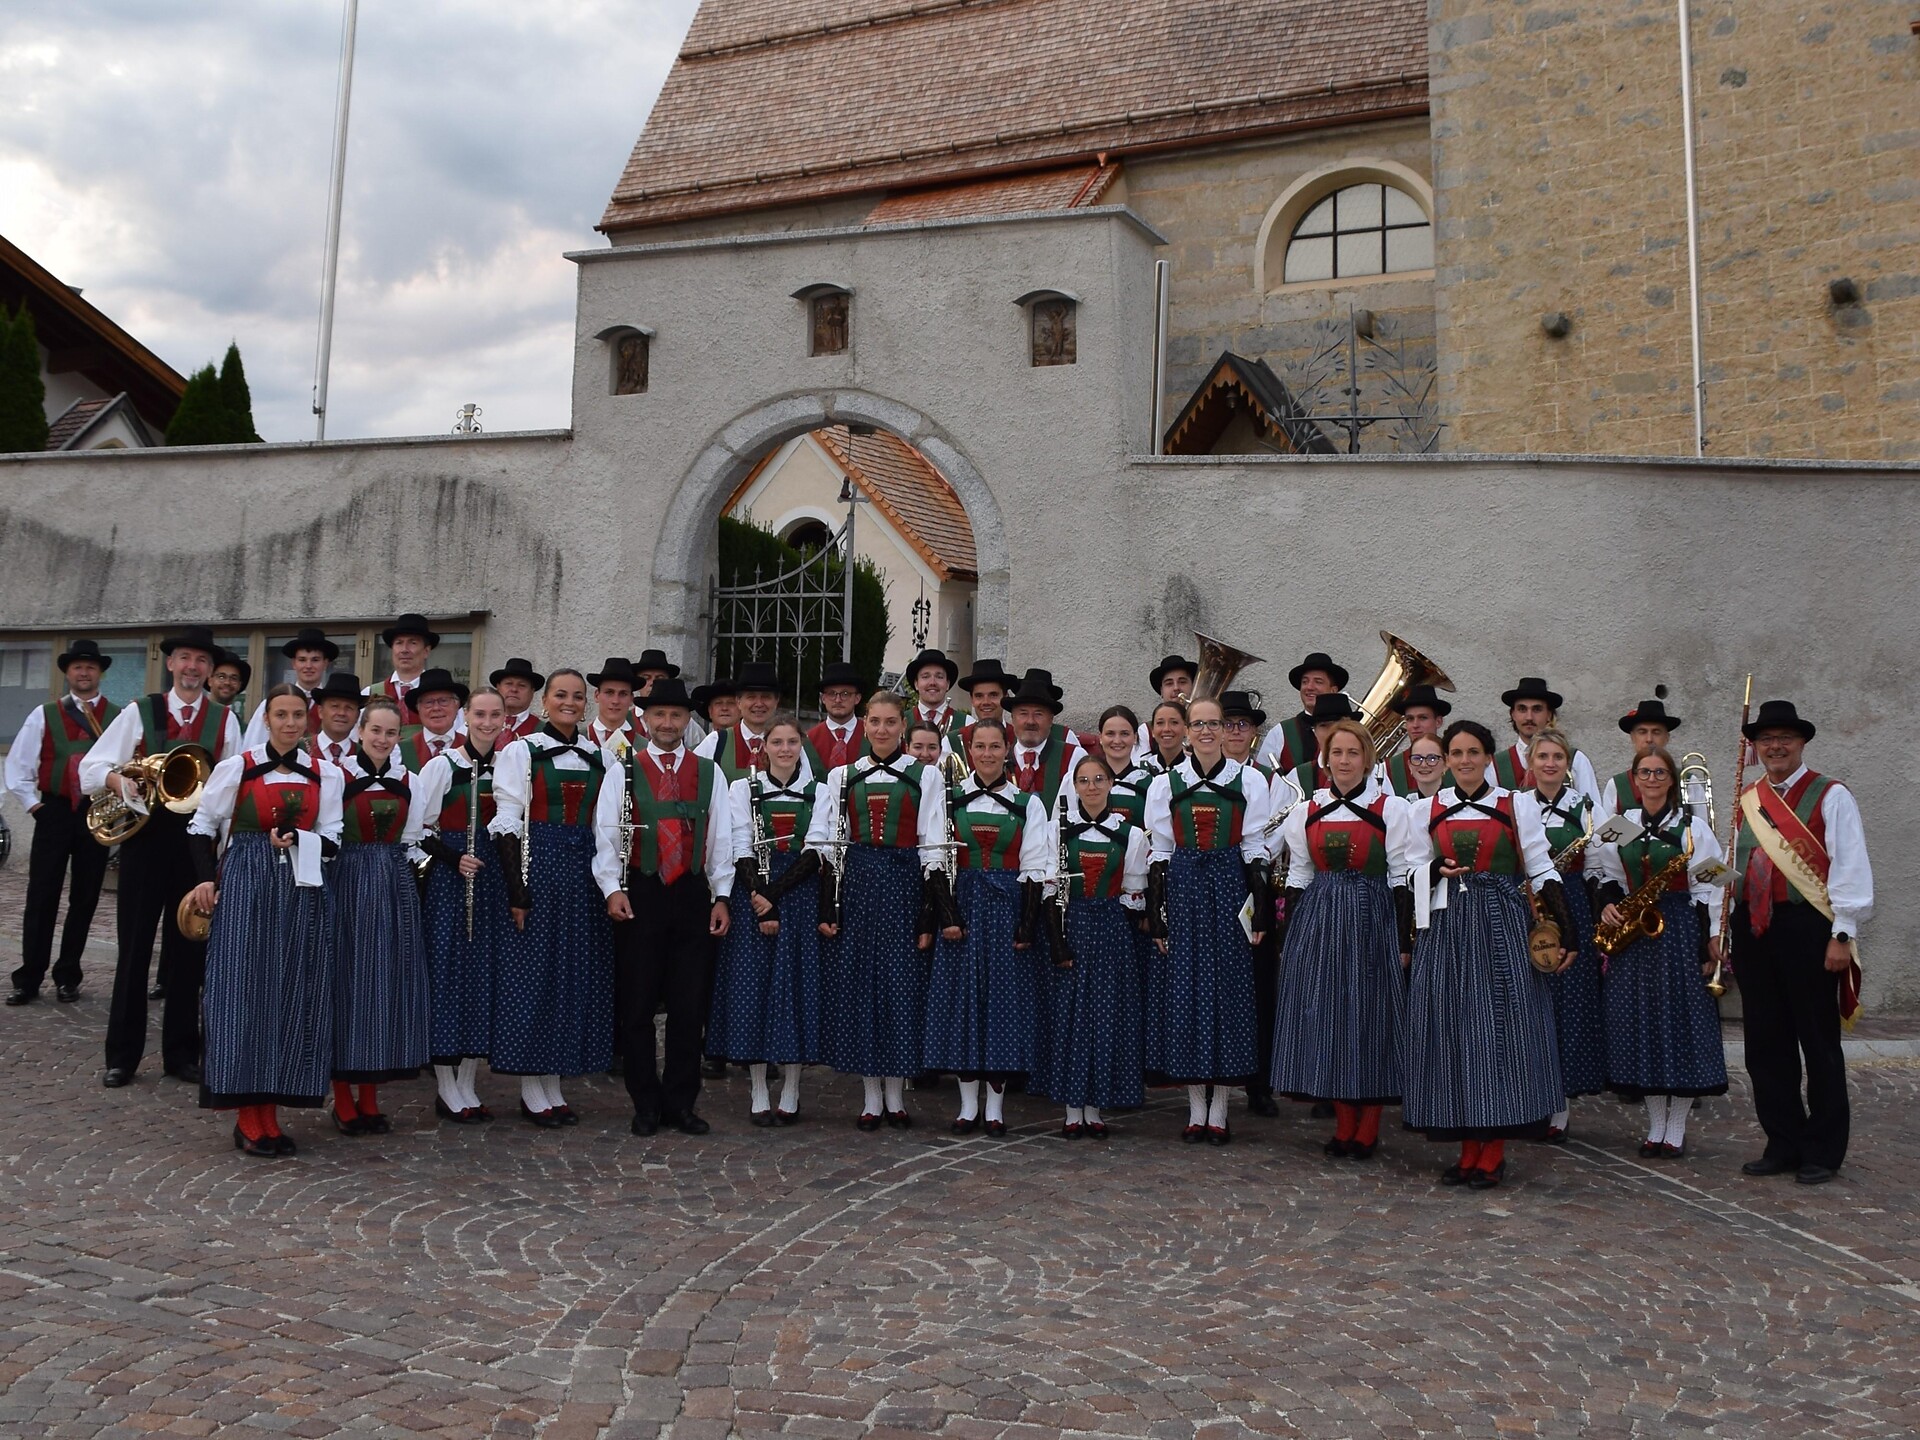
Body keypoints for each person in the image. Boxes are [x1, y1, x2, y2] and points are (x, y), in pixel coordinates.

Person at [1401, 720, 1573, 1189]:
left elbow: (1540, 867)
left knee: (1499, 1034)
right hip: (1448, 928)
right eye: (1455, 753)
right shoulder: (1426, 808)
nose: (1464, 760)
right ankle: (1467, 1148)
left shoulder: (1515, 804)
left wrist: (1568, 933)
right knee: (1455, 1033)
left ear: (1488, 757)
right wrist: (1434, 868)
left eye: (1473, 752)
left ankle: (1492, 1151)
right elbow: (1411, 872)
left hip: (1502, 927)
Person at [82, 624, 243, 1088]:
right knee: (133, 950)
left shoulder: (224, 720)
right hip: (145, 841)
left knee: (190, 948)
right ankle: (123, 1056)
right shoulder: (140, 710)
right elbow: (91, 767)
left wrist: (225, 854)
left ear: (211, 672)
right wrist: (120, 782)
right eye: (185, 659)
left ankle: (181, 1054)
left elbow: (234, 789)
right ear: (170, 664)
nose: (193, 668)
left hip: (196, 845)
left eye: (201, 661)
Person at [187, 684, 343, 1157]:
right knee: (243, 994)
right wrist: (205, 882)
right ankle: (247, 1118)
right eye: (282, 715)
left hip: (301, 889)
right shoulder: (238, 767)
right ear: (267, 719)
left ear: (307, 721)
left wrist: (300, 838)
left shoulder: (326, 774)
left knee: (292, 994)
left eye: (298, 715)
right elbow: (201, 826)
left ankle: (271, 1114)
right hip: (247, 886)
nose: (291, 723)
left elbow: (334, 839)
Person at [1727, 700, 1872, 1186]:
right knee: (1765, 1044)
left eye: (1785, 737)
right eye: (1766, 739)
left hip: (1808, 929)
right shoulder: (1746, 798)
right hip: (1754, 929)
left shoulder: (1830, 795)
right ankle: (1782, 1142)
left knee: (1818, 1042)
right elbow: (1735, 867)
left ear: (1802, 742)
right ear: (1756, 746)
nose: (1775, 746)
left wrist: (1843, 934)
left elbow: (1850, 866)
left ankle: (1823, 1150)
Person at [594, 677, 734, 1137]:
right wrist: (613, 888)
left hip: (692, 895)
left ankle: (681, 1102)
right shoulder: (624, 770)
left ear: (686, 721)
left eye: (676, 715)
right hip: (642, 894)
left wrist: (721, 896)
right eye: (659, 715)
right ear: (645, 719)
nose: (667, 723)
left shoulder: (709, 772)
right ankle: (645, 1103)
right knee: (636, 1007)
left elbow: (720, 841)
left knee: (688, 1006)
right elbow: (607, 835)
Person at [1269, 720, 1413, 1160]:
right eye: (1337, 753)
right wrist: (1291, 938)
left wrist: (1404, 941)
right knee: (1330, 1022)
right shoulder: (1307, 811)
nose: (1344, 761)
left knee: (1369, 1022)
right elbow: (1298, 876)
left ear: (1367, 759)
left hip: (1373, 921)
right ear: (1325, 760)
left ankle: (1367, 1128)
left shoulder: (1392, 810)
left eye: (1353, 753)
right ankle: (1343, 1125)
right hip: (1321, 920)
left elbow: (1401, 876)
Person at [808, 690, 946, 1130]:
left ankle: (896, 1093)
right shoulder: (842, 775)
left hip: (905, 884)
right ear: (864, 725)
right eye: (875, 722)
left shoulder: (926, 776)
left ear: (903, 727)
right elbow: (829, 843)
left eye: (891, 722)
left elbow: (933, 844)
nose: (883, 730)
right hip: (861, 886)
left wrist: (929, 911)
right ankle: (870, 1095)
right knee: (863, 985)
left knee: (901, 985)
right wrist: (831, 902)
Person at [488, 670, 615, 1126]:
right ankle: (530, 1087)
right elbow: (507, 820)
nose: (569, 702)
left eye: (577, 697)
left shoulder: (599, 757)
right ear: (545, 701)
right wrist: (517, 891)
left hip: (582, 875)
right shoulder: (521, 751)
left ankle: (554, 1083)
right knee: (535, 976)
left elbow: (607, 827)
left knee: (571, 977)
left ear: (587, 704)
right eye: (561, 695)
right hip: (536, 868)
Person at [1589, 744, 1728, 1159]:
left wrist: (1712, 938)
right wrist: (1608, 903)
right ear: (1634, 780)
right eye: (1644, 773)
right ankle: (1655, 1126)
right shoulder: (1622, 824)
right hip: (1635, 932)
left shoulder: (1693, 828)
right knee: (1641, 1026)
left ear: (1671, 780)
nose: (1652, 780)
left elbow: (1714, 885)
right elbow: (1602, 871)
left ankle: (1677, 1127)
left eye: (1660, 773)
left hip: (1679, 931)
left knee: (1681, 1025)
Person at [1144, 695, 1271, 1144]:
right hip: (1183, 891)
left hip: (1228, 889)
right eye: (1197, 724)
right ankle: (1196, 1105)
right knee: (1188, 994)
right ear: (1185, 731)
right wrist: (1158, 918)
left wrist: (1258, 912)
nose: (1205, 732)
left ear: (1224, 730)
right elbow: (1159, 852)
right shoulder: (1165, 784)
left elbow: (1256, 848)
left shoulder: (1249, 780)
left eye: (1214, 724)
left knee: (1226, 993)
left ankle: (1220, 1109)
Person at [923, 720, 1053, 1136]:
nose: (988, 754)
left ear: (1007, 750)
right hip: (962, 911)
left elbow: (1035, 866)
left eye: (995, 746)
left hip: (1005, 913)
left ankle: (995, 1109)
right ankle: (966, 1107)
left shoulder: (1028, 804)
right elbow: (935, 860)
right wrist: (948, 917)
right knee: (963, 1006)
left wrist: (1026, 925)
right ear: (969, 751)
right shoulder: (949, 799)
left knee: (1001, 1009)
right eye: (980, 746)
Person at [706, 714, 824, 1125]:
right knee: (753, 993)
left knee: (795, 992)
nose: (785, 749)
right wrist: (760, 898)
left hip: (798, 897)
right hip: (751, 894)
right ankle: (758, 1089)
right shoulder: (743, 788)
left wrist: (772, 898)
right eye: (777, 742)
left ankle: (791, 1090)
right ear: (765, 747)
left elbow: (816, 850)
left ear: (801, 747)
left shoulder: (819, 792)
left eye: (793, 742)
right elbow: (740, 843)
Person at [322, 696, 429, 1136]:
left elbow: (413, 838)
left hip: (391, 882)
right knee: (347, 985)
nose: (382, 739)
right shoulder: (336, 775)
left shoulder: (410, 780)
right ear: (360, 732)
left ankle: (370, 1095)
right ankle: (343, 1096)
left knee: (383, 988)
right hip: (346, 881)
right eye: (375, 731)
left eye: (391, 732)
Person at [404, 686, 511, 1123]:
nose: (487, 722)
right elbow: (417, 830)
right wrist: (452, 858)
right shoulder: (442, 766)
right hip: (453, 883)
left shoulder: (508, 766)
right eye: (480, 714)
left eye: (495, 715)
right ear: (466, 717)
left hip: (491, 883)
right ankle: (447, 1088)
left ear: (505, 719)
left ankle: (468, 1084)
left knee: (483, 978)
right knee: (450, 977)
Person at [1035, 751, 1149, 1138]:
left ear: (1111, 784)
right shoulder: (1057, 831)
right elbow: (1050, 890)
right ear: (1074, 786)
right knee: (1070, 1017)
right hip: (1073, 926)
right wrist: (1057, 943)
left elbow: (1134, 892)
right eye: (1084, 781)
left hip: (1112, 930)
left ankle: (1096, 1106)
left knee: (1105, 1018)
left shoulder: (1131, 836)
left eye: (1099, 779)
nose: (1092, 787)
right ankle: (1071, 1108)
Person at [6, 638, 119, 1006]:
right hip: (53, 812)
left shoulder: (119, 717)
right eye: (77, 666)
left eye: (90, 666)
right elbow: (20, 766)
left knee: (85, 897)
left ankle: (68, 975)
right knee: (42, 896)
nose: (83, 672)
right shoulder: (44, 713)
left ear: (99, 672)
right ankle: (29, 977)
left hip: (96, 813)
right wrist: (33, 806)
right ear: (67, 673)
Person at [1525, 727, 1606, 1140]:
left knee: (1568, 1008)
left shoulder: (1587, 807)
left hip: (1571, 903)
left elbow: (1599, 864)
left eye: (1558, 757)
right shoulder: (1517, 805)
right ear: (1531, 763)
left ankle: (1559, 1106)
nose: (1550, 763)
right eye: (1543, 757)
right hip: (1530, 906)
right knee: (1531, 1006)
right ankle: (1530, 1097)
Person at [1219, 689, 1289, 1120]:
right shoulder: (1197, 776)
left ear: (1255, 732)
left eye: (1243, 725)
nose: (1235, 732)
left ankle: (1258, 1085)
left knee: (1260, 991)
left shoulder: (1274, 781)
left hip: (1255, 893)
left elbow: (1272, 838)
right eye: (1227, 724)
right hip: (1213, 886)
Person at [1492, 676, 1601, 804]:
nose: (1529, 717)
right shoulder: (1496, 765)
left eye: (1537, 709)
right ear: (1513, 714)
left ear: (1549, 715)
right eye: (1522, 709)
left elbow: (1593, 813)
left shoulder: (1576, 760)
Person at [1006, 668, 1084, 809]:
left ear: (1051, 719)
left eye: (1039, 714)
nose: (1030, 721)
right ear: (1012, 718)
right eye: (1023, 713)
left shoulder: (1074, 756)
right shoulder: (997, 757)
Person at [1259, 651, 1348, 773]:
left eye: (1318, 681)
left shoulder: (1352, 731)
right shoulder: (1280, 732)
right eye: (1305, 682)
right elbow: (1262, 779)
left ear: (1333, 690)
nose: (1309, 687)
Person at [243, 628, 335, 747]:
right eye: (302, 660)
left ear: (326, 663)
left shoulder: (332, 707)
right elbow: (252, 746)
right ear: (294, 663)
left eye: (315, 660)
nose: (308, 666)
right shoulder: (272, 704)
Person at [697, 660, 783, 782]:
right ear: (738, 701)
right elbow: (692, 782)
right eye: (751, 697)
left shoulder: (791, 744)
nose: (759, 704)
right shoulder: (715, 742)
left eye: (766, 697)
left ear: (776, 701)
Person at [1599, 698, 1682, 819]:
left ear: (1667, 737)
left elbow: (1702, 830)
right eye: (1642, 732)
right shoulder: (1616, 785)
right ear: (1633, 737)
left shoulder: (1689, 781)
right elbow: (1606, 835)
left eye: (1656, 732)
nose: (1649, 739)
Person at [1377, 684, 1452, 797]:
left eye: (1423, 718)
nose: (1415, 725)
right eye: (1410, 719)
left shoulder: (1459, 762)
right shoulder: (1389, 768)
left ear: (1438, 722)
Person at [1092, 706, 1153, 829]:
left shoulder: (1150, 782)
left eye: (1124, 734)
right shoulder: (1082, 779)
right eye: (1110, 734)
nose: (1117, 740)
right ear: (1100, 738)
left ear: (1135, 737)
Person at [398, 668, 467, 772]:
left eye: (443, 701)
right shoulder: (400, 750)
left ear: (456, 705)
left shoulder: (469, 747)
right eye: (428, 702)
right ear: (418, 708)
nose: (436, 708)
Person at [370, 613, 439, 710]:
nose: (404, 650)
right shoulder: (370, 694)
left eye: (413, 643)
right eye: (399, 643)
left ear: (426, 651)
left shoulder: (442, 697)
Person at [1135, 654, 1197, 759]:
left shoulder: (1204, 726)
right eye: (1169, 683)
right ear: (1161, 691)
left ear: (1193, 686)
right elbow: (1140, 768)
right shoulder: (1146, 730)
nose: (1176, 688)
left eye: (1182, 682)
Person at [904, 648, 965, 753]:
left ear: (947, 684)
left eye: (939, 677)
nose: (932, 682)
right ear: (916, 684)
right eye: (925, 677)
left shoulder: (967, 723)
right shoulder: (900, 722)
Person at [306, 673, 365, 767]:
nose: (341, 713)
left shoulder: (365, 756)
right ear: (320, 711)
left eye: (349, 708)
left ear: (357, 716)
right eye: (335, 706)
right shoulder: (300, 750)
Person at [586, 657, 640, 755]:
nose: (615, 701)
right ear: (597, 695)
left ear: (631, 699)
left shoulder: (643, 745)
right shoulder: (580, 738)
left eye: (623, 694)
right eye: (609, 692)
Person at [956, 658, 1012, 752]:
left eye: (993, 695)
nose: (986, 702)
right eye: (979, 696)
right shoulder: (953, 742)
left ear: (1005, 697)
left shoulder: (1020, 739)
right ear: (972, 700)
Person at [490, 657, 545, 742]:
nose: (514, 689)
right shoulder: (482, 724)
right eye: (509, 684)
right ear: (498, 688)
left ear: (532, 691)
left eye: (522, 685)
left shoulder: (542, 731)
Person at [1141, 698, 1188, 775]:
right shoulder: (1141, 772)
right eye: (1160, 723)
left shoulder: (1195, 770)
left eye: (1174, 722)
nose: (1166, 729)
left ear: (1186, 729)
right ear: (1152, 730)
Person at [1403, 734, 1447, 800]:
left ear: (1445, 764)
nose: (1423, 765)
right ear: (1410, 765)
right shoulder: (1403, 806)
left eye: (1432, 758)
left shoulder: (1457, 805)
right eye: (1417, 758)